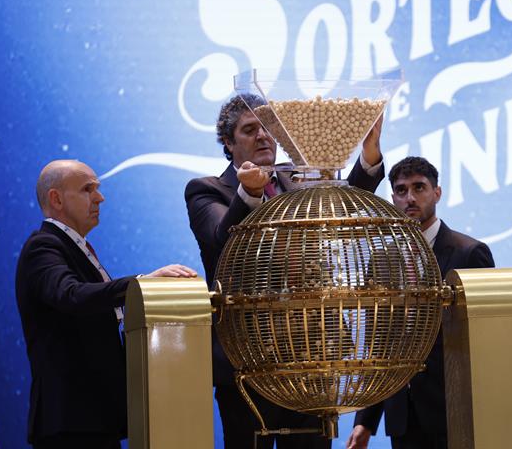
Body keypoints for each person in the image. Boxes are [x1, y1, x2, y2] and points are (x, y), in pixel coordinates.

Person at [185, 93, 385, 449]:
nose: (263, 136)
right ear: (229, 144)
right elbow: (220, 240)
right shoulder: (207, 191)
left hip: (310, 357)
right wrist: (249, 192)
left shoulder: (300, 180)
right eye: (249, 130)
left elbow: (345, 206)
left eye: (270, 128)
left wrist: (368, 155)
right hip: (248, 366)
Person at [15, 159, 197, 449]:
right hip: (71, 422)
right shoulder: (43, 246)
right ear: (57, 198)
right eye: (88, 189)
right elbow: (71, 295)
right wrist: (140, 283)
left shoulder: (76, 248)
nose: (100, 197)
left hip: (94, 419)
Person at [347, 156, 495, 449]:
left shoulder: (470, 254)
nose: (410, 198)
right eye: (401, 191)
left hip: (457, 410)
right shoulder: (381, 261)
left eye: (419, 188)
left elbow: (487, 341)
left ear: (437, 193)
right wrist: (365, 420)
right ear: (392, 198)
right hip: (402, 413)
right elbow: (379, 345)